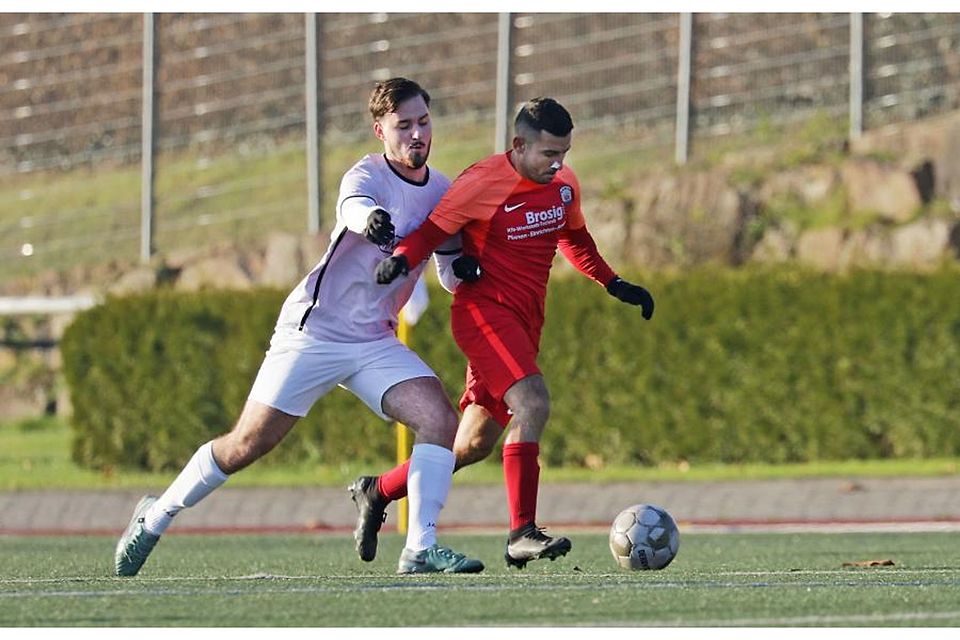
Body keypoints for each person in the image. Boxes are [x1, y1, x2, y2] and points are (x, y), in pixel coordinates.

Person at [114, 78, 485, 577]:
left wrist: (463, 271)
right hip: (314, 333)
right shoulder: (366, 176)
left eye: (423, 122)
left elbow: (443, 268)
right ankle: (156, 515)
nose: (416, 134)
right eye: (403, 126)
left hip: (374, 340)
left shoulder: (441, 191)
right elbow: (353, 208)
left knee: (440, 420)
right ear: (380, 130)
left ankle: (420, 547)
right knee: (247, 444)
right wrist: (370, 219)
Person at [350, 97, 655, 569]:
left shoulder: (563, 184)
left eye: (565, 154)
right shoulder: (482, 182)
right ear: (518, 144)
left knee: (472, 444)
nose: (559, 164)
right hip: (484, 315)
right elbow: (432, 233)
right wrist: (402, 260)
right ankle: (521, 532)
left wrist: (614, 283)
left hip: (526, 322)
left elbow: (574, 238)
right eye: (549, 154)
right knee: (533, 403)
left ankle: (379, 489)